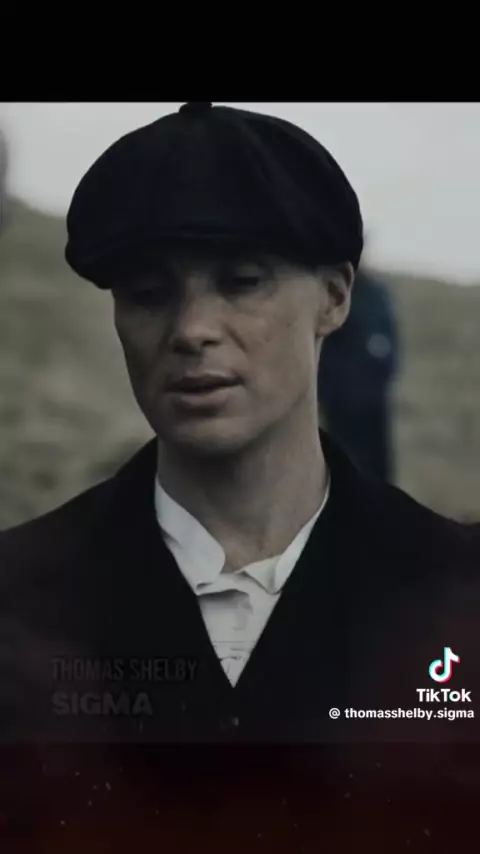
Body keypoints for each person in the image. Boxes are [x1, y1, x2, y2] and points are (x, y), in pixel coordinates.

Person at [0, 103, 476, 751]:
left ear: (336, 297)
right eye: (148, 294)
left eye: (242, 282)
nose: (192, 329)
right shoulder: (18, 600)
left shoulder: (459, 596)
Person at [318, 265, 398, 481]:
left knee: (376, 465)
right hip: (341, 401)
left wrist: (382, 378)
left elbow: (389, 343)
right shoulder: (333, 296)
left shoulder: (375, 294)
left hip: (372, 400)